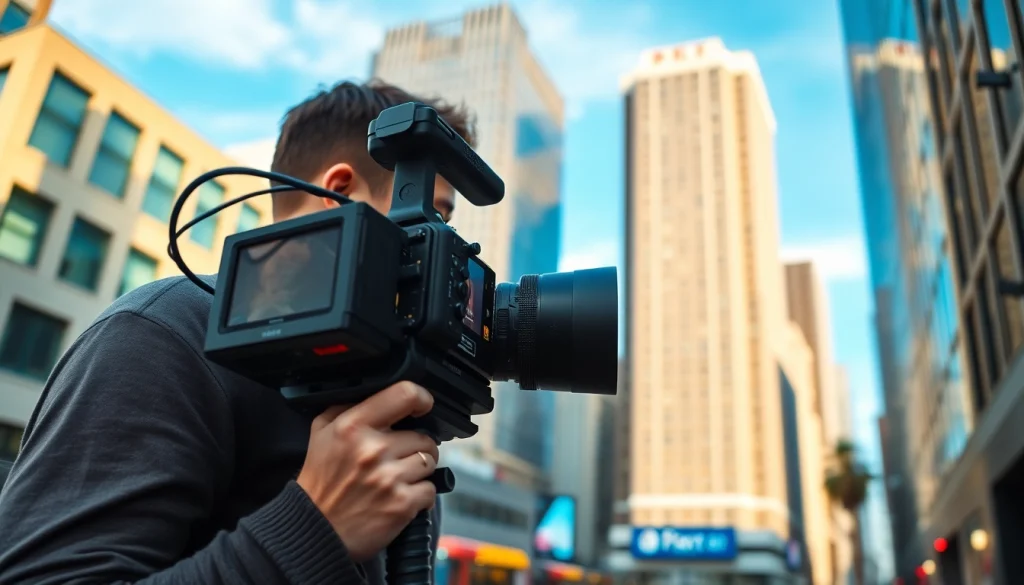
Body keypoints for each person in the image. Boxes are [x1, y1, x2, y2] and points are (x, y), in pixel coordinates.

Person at [0, 80, 477, 585]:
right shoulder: (166, 333)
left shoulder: (384, 389)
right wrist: (314, 528)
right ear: (339, 195)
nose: (448, 245)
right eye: (435, 213)